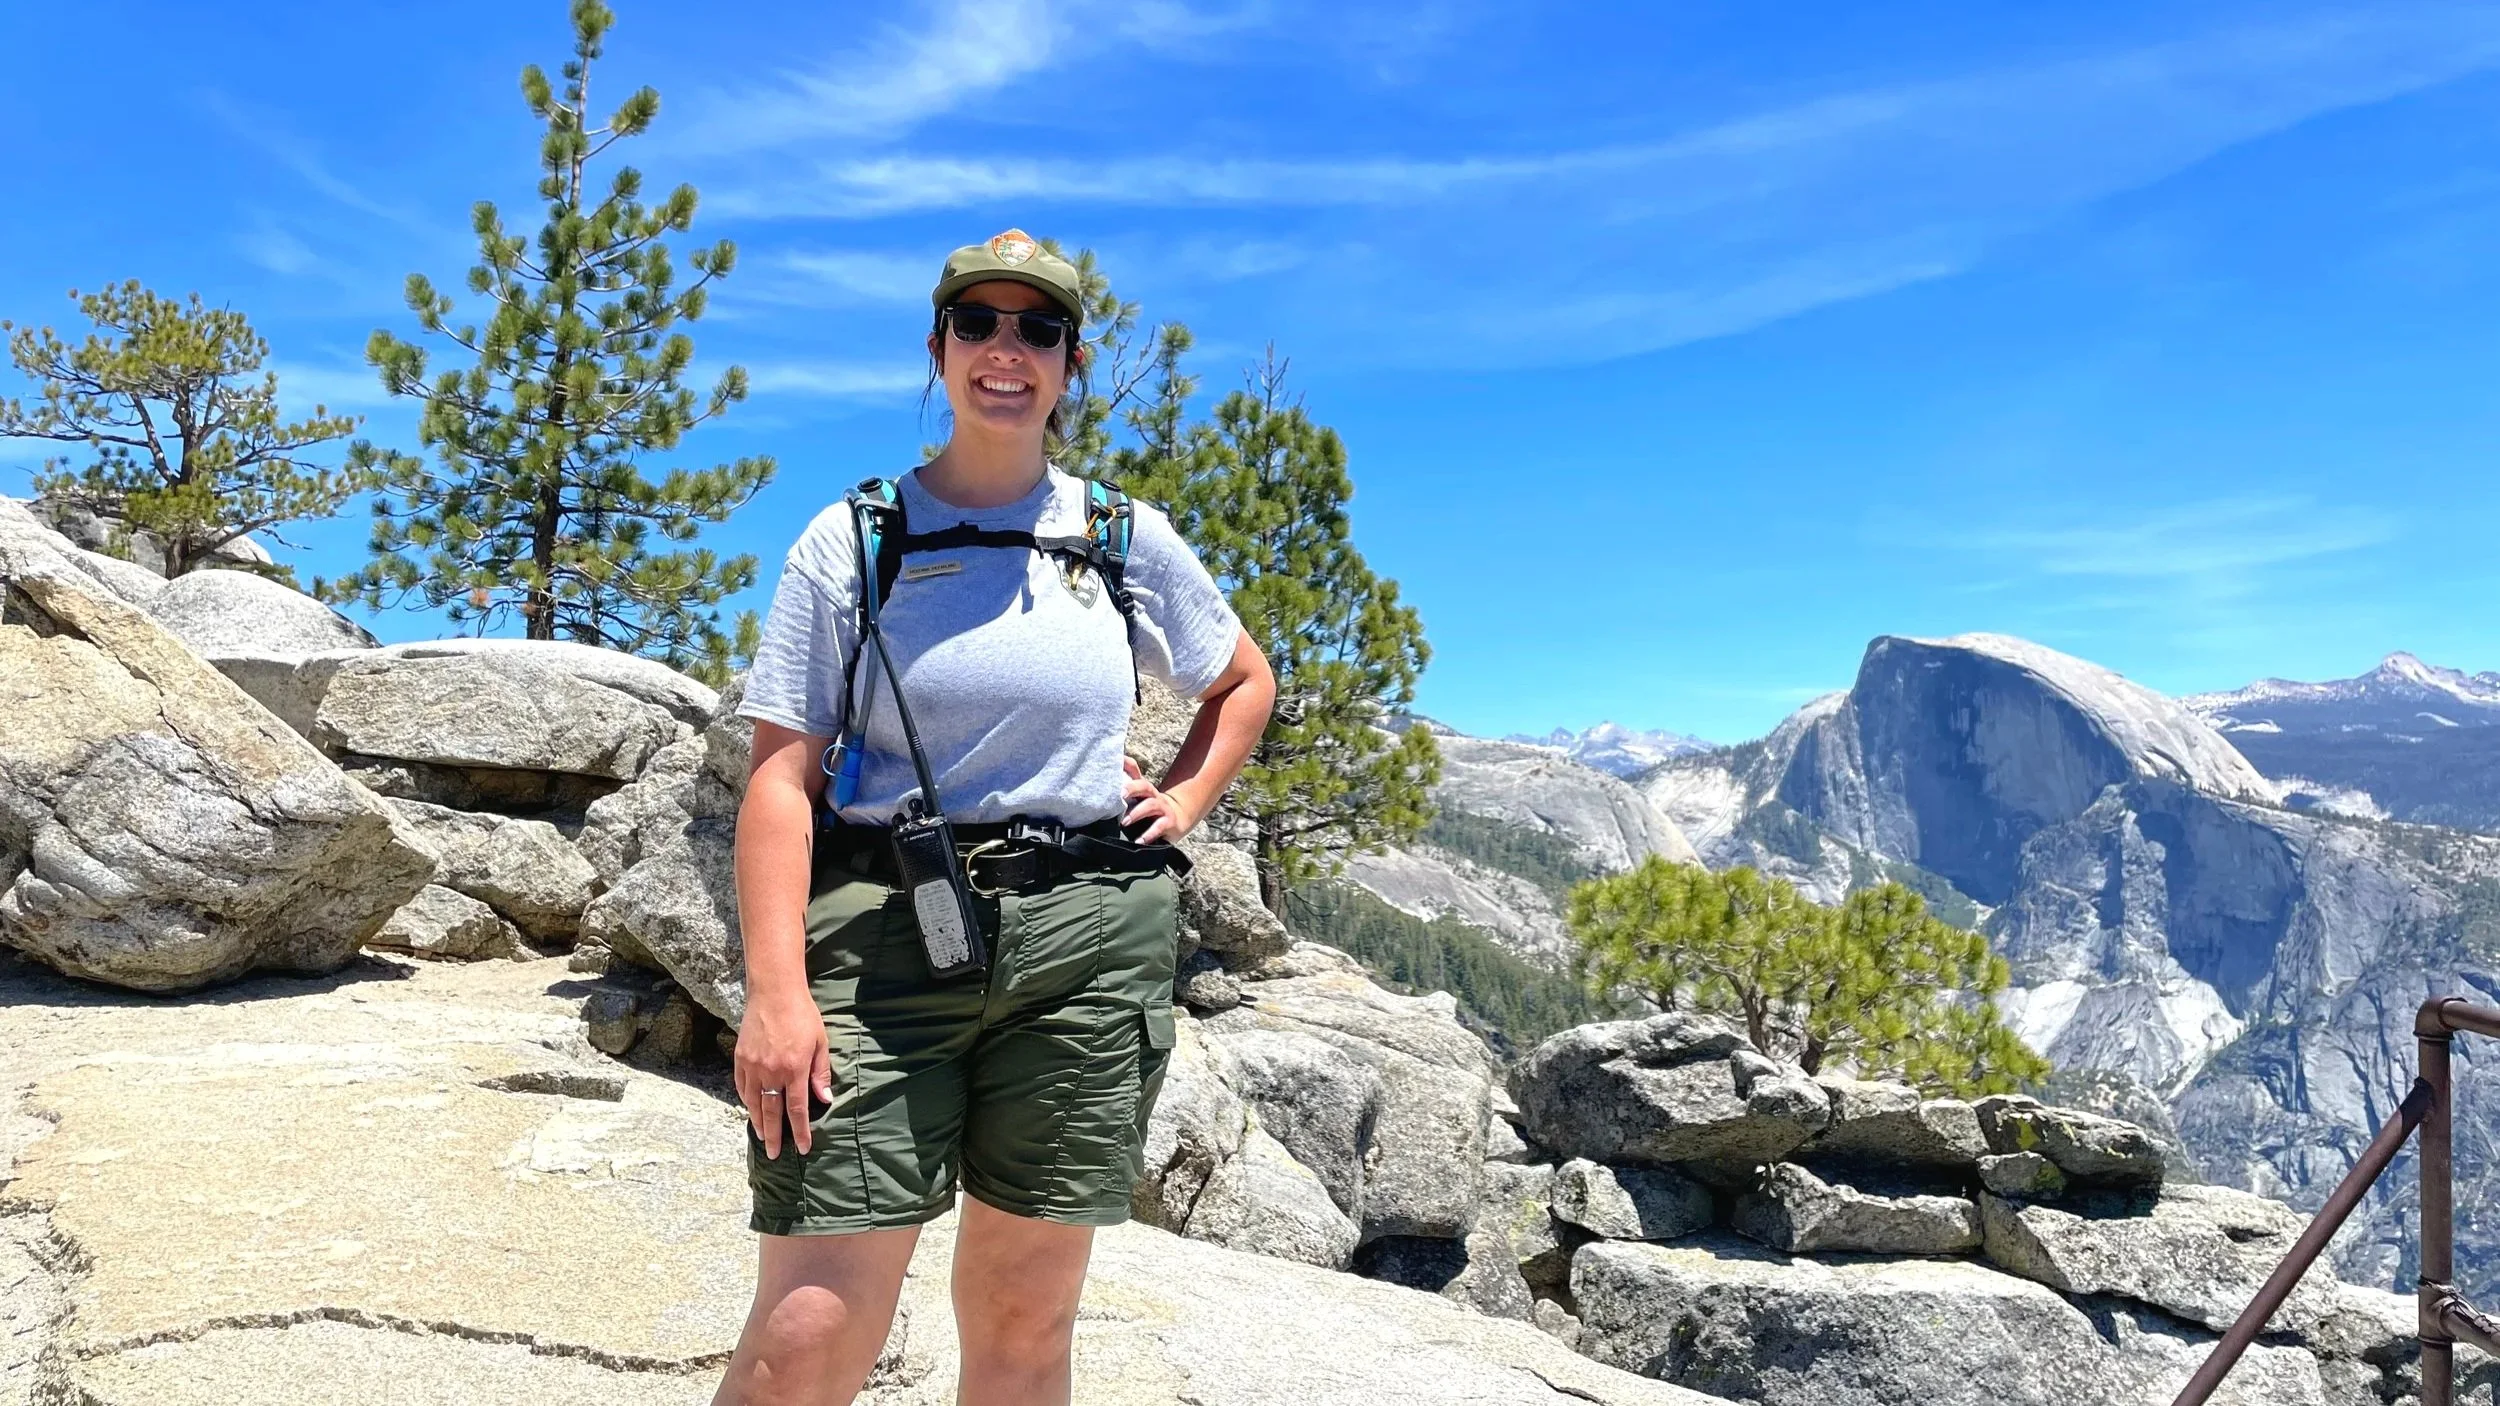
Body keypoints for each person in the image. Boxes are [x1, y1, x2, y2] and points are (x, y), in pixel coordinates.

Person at [713, 230, 1276, 1406]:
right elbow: (779, 777)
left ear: (1069, 362)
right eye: (980, 323)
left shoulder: (1119, 535)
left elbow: (1241, 679)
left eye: (1038, 328)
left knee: (1027, 1314)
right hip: (881, 938)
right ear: (939, 347)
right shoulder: (856, 538)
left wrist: (1183, 793)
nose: (1005, 349)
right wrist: (776, 993)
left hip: (1086, 940)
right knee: (809, 1325)